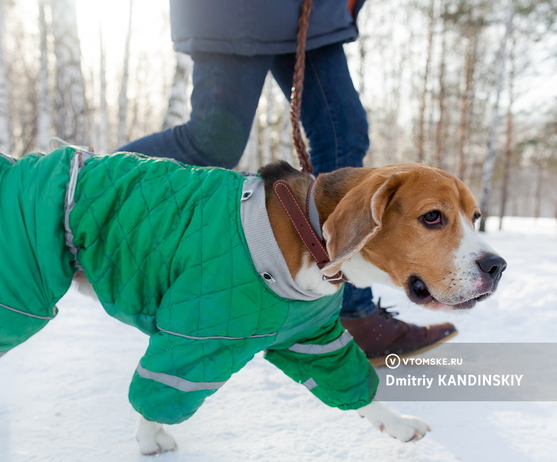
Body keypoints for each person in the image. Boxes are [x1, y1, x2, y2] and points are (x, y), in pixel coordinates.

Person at [118, 0, 456, 363]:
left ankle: (350, 313)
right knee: (214, 138)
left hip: (310, 13)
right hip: (238, 11)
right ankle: (90, 193)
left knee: (343, 133)